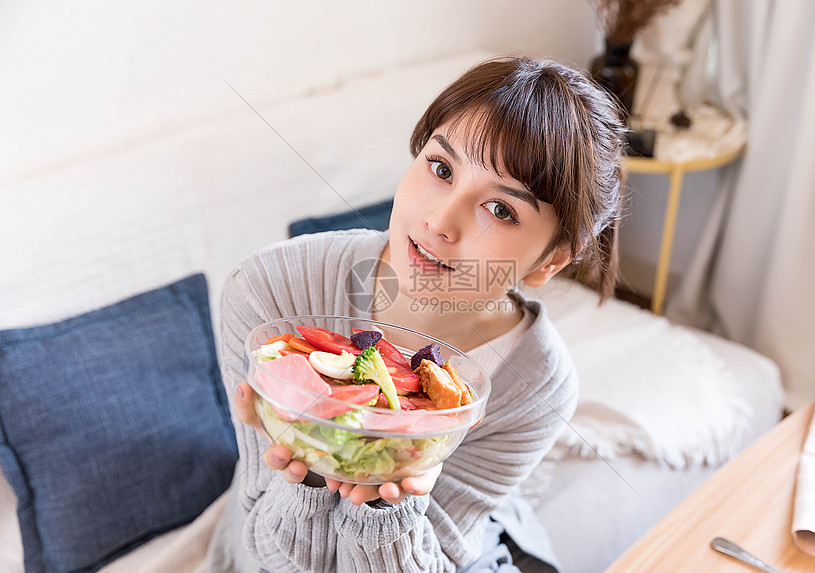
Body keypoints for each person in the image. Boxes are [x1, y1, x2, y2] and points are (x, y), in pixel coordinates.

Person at [206, 56, 626, 572]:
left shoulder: (536, 383)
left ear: (549, 263)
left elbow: (438, 556)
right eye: (442, 169)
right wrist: (310, 465)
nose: (439, 222)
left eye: (501, 210)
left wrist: (390, 502)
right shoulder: (270, 290)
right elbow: (263, 555)